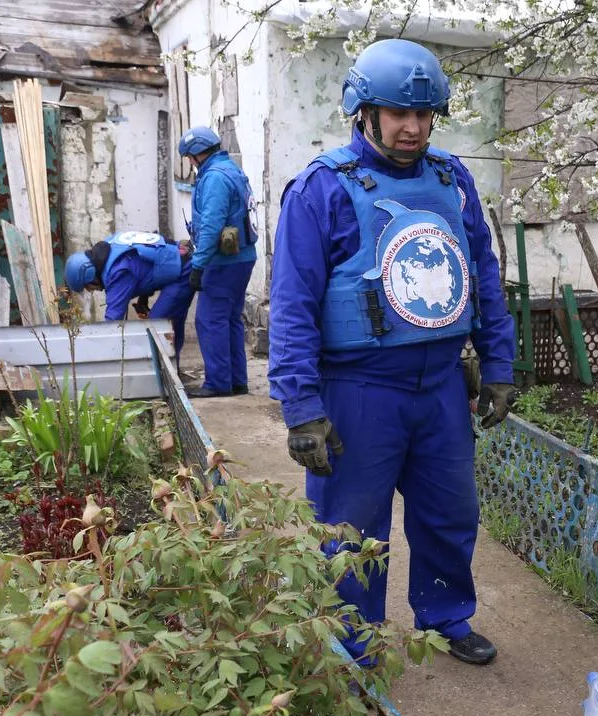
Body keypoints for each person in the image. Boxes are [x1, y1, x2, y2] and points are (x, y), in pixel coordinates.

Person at [268, 38, 517, 666]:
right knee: (352, 528)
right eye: (398, 113)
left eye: (424, 114)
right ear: (364, 111)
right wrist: (301, 408)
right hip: (359, 391)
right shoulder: (321, 190)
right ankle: (355, 643)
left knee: (449, 513)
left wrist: (499, 364)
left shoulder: (452, 180)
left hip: (441, 388)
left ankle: (446, 618)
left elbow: (483, 276)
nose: (413, 127)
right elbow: (293, 304)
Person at [178, 126, 258, 397]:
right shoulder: (230, 169)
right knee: (230, 319)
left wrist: (198, 266)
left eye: (189, 157)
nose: (190, 163)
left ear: (197, 154)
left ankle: (218, 383)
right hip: (243, 257)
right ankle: (237, 381)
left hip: (223, 261)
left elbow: (212, 225)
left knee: (210, 320)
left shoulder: (214, 178)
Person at [63, 232, 195, 362]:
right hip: (181, 256)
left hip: (182, 272)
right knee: (170, 326)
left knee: (157, 327)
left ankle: (161, 372)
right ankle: (172, 370)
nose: (92, 291)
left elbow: (113, 322)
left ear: (90, 274)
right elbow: (144, 262)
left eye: (88, 287)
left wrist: (98, 355)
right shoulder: (111, 246)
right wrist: (143, 298)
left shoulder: (117, 272)